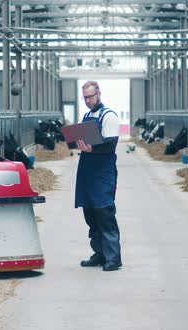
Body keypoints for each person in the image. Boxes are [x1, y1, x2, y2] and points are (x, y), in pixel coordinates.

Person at [75, 81, 122, 272]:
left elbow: (110, 144)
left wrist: (92, 147)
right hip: (87, 169)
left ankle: (113, 258)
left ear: (99, 94)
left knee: (104, 212)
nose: (88, 100)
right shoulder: (86, 116)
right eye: (85, 97)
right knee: (90, 213)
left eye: (91, 96)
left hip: (103, 171)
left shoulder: (109, 116)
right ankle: (99, 253)